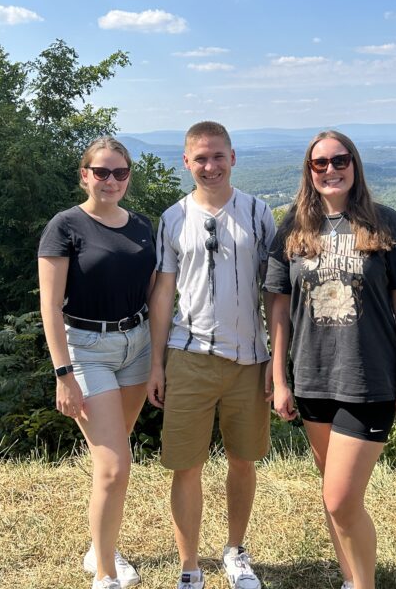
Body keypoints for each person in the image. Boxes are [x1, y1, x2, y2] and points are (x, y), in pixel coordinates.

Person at [264, 130, 396, 589]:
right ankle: (350, 578)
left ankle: (364, 584)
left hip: (370, 379)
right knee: (331, 493)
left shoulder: (385, 224)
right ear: (309, 171)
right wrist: (280, 379)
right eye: (320, 163)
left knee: (340, 500)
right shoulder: (292, 229)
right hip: (313, 377)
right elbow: (278, 309)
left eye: (340, 161)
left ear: (354, 165)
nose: (331, 170)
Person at [147, 121, 276, 589]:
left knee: (244, 460)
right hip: (188, 354)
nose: (210, 166)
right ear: (186, 162)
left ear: (233, 157)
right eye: (200, 158)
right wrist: (156, 363)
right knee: (186, 466)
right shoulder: (172, 218)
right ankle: (189, 566)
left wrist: (275, 359)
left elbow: (274, 291)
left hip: (249, 357)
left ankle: (236, 551)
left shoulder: (259, 213)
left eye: (218, 156)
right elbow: (163, 294)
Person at [38, 137, 155, 589]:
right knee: (114, 466)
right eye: (101, 172)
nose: (111, 180)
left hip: (137, 345)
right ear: (84, 175)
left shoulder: (141, 225)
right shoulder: (65, 225)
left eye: (119, 172)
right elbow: (50, 307)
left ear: (128, 177)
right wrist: (63, 374)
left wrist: (159, 355)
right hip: (87, 349)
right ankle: (105, 574)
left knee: (114, 456)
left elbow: (154, 292)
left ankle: (99, 547)